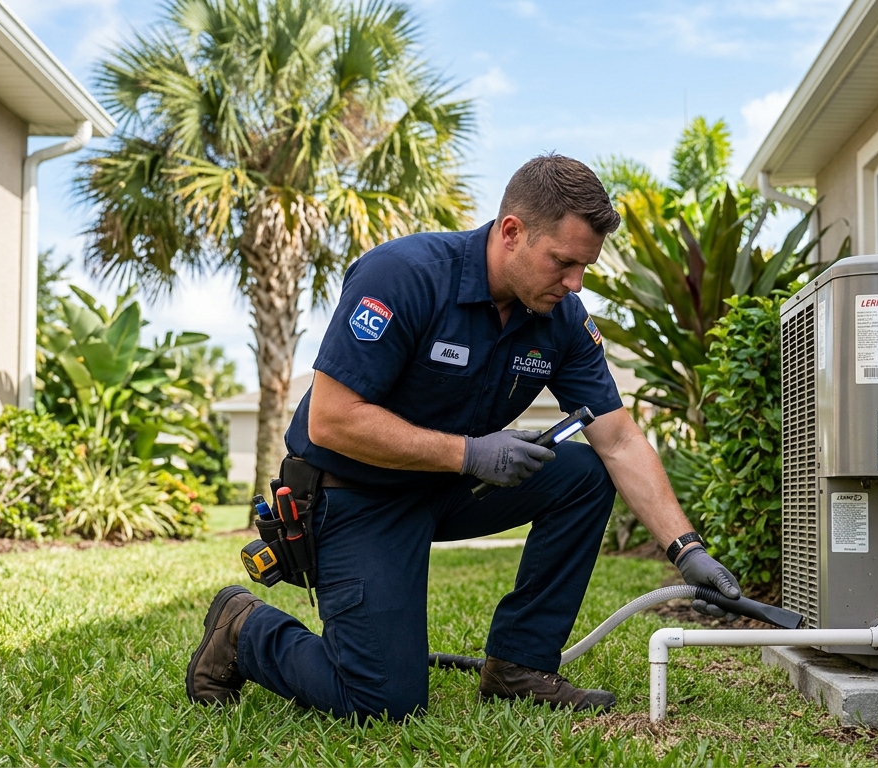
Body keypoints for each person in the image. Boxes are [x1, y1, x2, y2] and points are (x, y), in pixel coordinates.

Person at [185, 154, 742, 719]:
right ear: (511, 232)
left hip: (447, 487)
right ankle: (243, 627)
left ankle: (519, 666)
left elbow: (619, 440)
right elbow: (333, 418)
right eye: (563, 262)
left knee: (583, 474)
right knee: (381, 703)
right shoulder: (404, 276)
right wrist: (468, 453)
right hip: (354, 494)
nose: (575, 283)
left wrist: (686, 550)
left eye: (584, 267)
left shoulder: (561, 318)